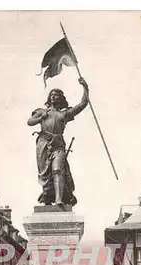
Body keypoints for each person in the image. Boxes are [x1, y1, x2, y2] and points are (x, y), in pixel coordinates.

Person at [27, 77, 89, 208]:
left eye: (57, 95)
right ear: (49, 98)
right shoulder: (41, 111)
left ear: (61, 99)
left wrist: (85, 88)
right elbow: (29, 122)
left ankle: (59, 199)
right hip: (43, 144)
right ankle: (47, 196)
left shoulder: (64, 114)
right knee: (45, 173)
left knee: (57, 170)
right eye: (52, 94)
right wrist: (40, 119)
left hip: (58, 144)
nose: (54, 96)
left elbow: (82, 104)